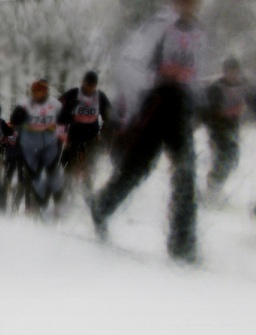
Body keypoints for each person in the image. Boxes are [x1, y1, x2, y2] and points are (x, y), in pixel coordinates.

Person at [89, 0, 206, 263]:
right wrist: (154, 83)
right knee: (138, 167)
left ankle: (182, 245)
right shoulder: (158, 26)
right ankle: (102, 206)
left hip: (179, 107)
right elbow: (128, 63)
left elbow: (196, 75)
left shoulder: (198, 34)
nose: (191, 5)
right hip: (154, 104)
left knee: (186, 170)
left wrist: (196, 104)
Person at [202, 58, 254, 203]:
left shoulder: (243, 86)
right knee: (224, 155)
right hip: (217, 127)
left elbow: (253, 101)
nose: (234, 75)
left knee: (233, 157)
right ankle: (213, 188)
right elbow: (210, 110)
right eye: (230, 72)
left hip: (232, 127)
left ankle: (215, 186)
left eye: (236, 72)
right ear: (224, 72)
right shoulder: (216, 88)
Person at [10, 79, 64, 218]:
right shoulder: (25, 105)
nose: (35, 94)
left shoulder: (55, 105)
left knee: (53, 175)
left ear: (44, 92)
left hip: (49, 147)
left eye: (38, 92)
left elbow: (65, 119)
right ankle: (36, 206)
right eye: (33, 91)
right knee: (33, 178)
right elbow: (14, 120)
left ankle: (56, 204)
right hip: (29, 147)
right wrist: (19, 118)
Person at [58, 71, 112, 190]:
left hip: (91, 136)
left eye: (93, 86)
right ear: (83, 83)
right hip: (74, 136)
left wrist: (103, 134)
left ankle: (87, 190)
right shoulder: (74, 93)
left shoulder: (100, 96)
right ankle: (67, 190)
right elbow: (59, 111)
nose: (90, 89)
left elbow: (109, 115)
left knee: (90, 166)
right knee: (69, 165)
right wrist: (63, 137)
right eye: (88, 85)